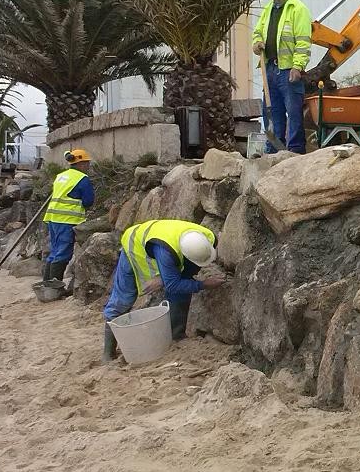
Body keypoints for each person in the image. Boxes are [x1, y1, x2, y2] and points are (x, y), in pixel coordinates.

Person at [100, 219, 225, 364]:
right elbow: (173, 285)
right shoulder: (166, 253)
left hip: (162, 241)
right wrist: (203, 284)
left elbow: (182, 278)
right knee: (123, 298)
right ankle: (108, 353)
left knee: (183, 284)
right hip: (135, 244)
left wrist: (171, 278)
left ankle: (176, 335)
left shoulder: (208, 239)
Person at [251, 0, 312, 154]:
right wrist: (257, 43)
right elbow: (258, 32)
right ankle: (273, 150)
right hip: (270, 68)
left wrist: (297, 66)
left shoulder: (298, 9)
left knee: (293, 112)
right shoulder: (268, 9)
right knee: (272, 112)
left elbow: (303, 42)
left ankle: (294, 150)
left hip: (288, 70)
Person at [42, 148, 94, 285]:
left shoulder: (61, 176)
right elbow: (88, 201)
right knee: (63, 253)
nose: (88, 166)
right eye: (87, 163)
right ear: (80, 163)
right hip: (67, 220)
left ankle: (46, 283)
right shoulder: (82, 179)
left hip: (53, 218)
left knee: (54, 251)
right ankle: (54, 285)